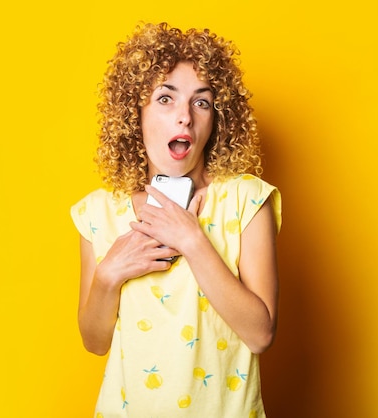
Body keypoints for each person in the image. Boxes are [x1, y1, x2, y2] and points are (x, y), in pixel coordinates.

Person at [70, 22, 282, 417]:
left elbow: (260, 334)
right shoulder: (98, 213)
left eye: (201, 102)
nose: (184, 116)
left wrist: (193, 241)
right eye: (165, 99)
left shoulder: (246, 200)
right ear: (135, 113)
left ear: (217, 119)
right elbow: (94, 341)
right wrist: (108, 275)